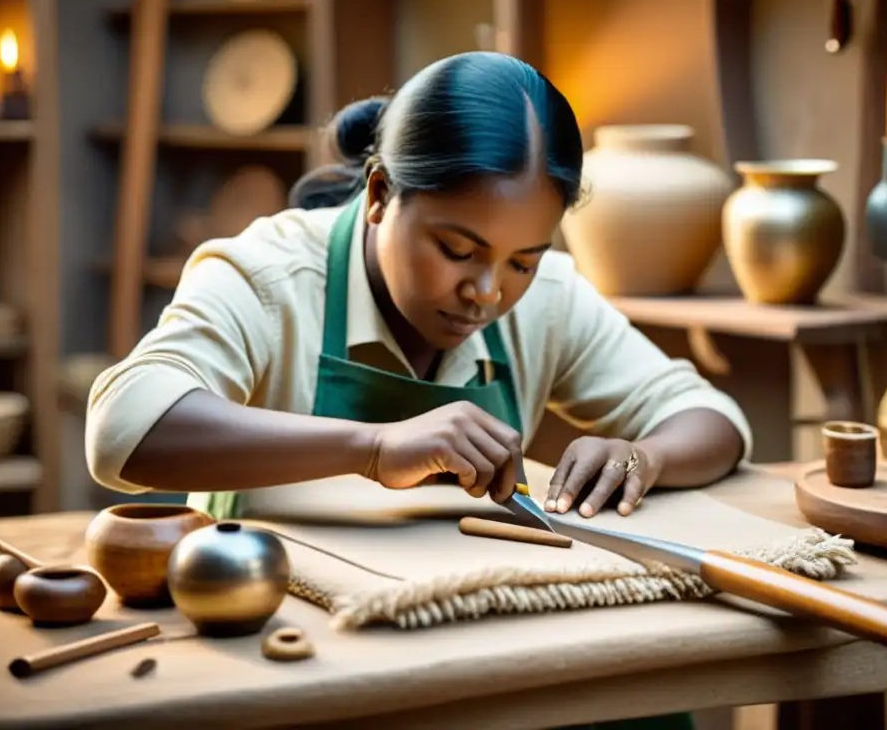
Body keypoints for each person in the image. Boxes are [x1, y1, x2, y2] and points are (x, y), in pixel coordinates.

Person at [86, 51, 752, 729]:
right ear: (378, 195)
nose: (488, 292)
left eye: (522, 259)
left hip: (469, 644)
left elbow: (710, 418)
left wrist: (645, 458)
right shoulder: (269, 275)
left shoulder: (545, 297)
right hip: (289, 655)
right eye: (457, 251)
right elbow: (124, 430)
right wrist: (372, 446)